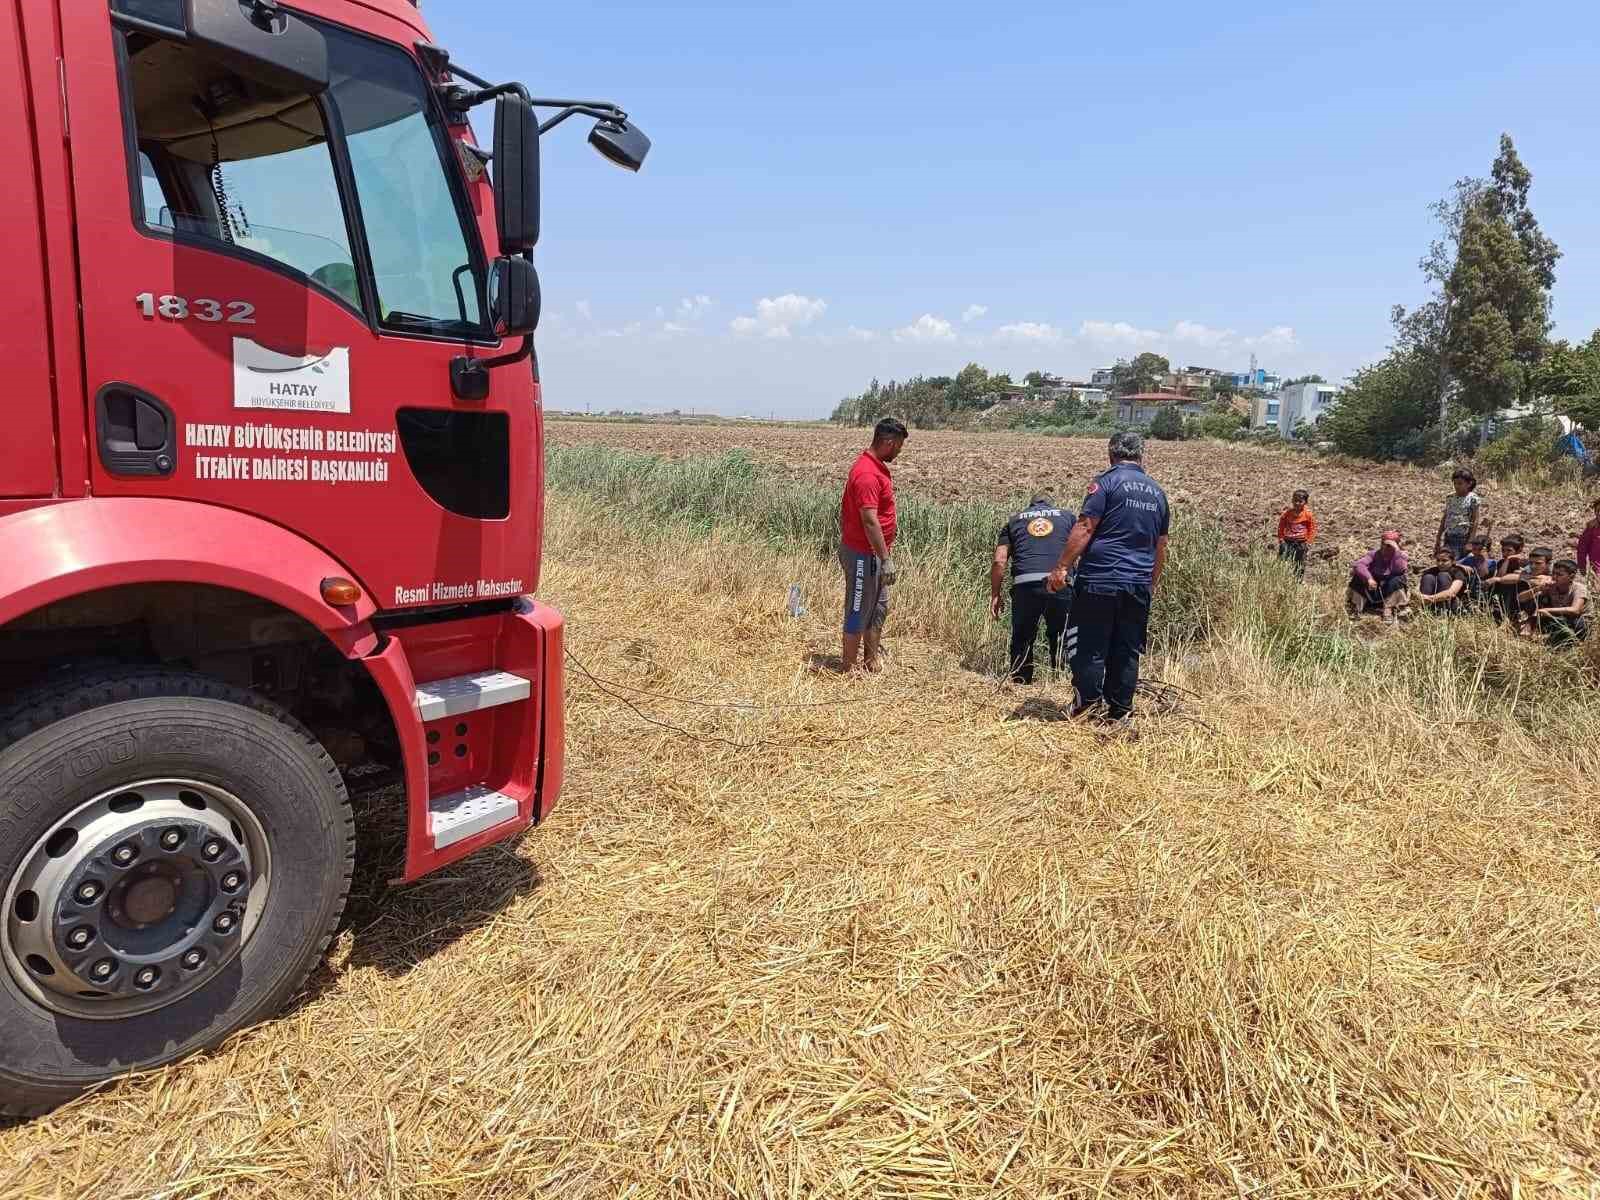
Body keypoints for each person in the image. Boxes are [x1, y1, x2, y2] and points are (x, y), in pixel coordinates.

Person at [1045, 431, 1170, 725]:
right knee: (1126, 650)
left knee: (1089, 645)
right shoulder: (1158, 492)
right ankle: (1120, 713)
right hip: (1137, 584)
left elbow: (1086, 526)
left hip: (1100, 579)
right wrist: (1150, 583)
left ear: (1111, 454)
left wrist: (1062, 567)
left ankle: (1086, 706)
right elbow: (1160, 547)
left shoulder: (1105, 483)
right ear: (1142, 456)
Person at [838, 418, 907, 672]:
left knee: (878, 607)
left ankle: (870, 661)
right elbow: (869, 521)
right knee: (858, 608)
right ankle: (847, 667)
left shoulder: (876, 468)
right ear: (888, 442)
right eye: (898, 446)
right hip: (862, 555)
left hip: (875, 554)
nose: (899, 451)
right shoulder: (867, 474)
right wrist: (885, 558)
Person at [991, 493, 1076, 684]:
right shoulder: (1068, 517)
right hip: (1059, 582)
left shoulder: (1014, 521)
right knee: (1062, 635)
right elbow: (1081, 547)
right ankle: (1061, 682)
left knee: (1022, 637)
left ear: (1031, 506)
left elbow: (999, 561)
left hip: (1025, 584)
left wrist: (996, 593)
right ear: (1050, 504)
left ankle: (1020, 682)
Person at [1347, 532, 1410, 623]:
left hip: (1389, 593)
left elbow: (1400, 569)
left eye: (1388, 545)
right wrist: (1369, 578)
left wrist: (1397, 550)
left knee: (1398, 579)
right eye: (1383, 544)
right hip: (1372, 590)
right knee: (1358, 577)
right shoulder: (1374, 554)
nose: (1384, 547)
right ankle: (1356, 608)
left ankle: (1389, 610)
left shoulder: (1400, 556)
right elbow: (1359, 565)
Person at [1528, 558, 1589, 646]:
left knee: (1577, 622)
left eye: (1559, 574)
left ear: (1571, 576)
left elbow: (1575, 610)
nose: (1554, 577)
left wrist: (1548, 610)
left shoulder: (1579, 588)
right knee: (1537, 601)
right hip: (1559, 619)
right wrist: (1539, 588)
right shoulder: (1552, 586)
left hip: (1576, 623)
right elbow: (1521, 598)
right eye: (1553, 573)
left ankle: (1571, 641)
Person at [1435, 469, 1482, 560]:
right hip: (1449, 535)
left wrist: (1470, 541)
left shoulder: (1473, 499)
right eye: (1455, 483)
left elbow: (1475, 520)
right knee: (1446, 559)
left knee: (1458, 562)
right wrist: (1438, 537)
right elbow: (1445, 517)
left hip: (1463, 538)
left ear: (1469, 484)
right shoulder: (1450, 497)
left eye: (1460, 483)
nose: (1456, 486)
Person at [1485, 534, 1528, 631]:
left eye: (1509, 551)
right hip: (1502, 589)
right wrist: (1507, 561)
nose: (1505, 553)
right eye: (1503, 550)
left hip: (1517, 591)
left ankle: (1508, 617)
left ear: (1518, 551)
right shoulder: (1502, 562)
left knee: (1509, 587)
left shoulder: (1524, 562)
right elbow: (1499, 576)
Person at [1275, 489, 1317, 578]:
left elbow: (1312, 529)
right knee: (1282, 561)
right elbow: (1281, 526)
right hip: (1287, 541)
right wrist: (1281, 539)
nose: (1297, 503)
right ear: (1292, 500)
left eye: (1300, 501)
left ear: (1305, 502)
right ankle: (1279, 578)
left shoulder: (1308, 515)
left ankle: (1297, 581)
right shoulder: (1287, 513)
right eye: (1295, 500)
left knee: (1299, 563)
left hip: (1301, 542)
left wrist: (1308, 542)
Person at [1514, 546, 1555, 634]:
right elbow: (1520, 598)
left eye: (1538, 563)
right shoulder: (1526, 574)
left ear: (1548, 564)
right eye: (1531, 563)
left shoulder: (1556, 575)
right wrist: (1538, 587)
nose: (1533, 566)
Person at [1416, 547, 1468, 615]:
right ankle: (1426, 612)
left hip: (1451, 605)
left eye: (1444, 561)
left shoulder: (1457, 572)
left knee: (1443, 576)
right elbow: (1417, 590)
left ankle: (1443, 613)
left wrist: (1431, 598)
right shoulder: (1431, 571)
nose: (1440, 563)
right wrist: (1421, 597)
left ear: (1452, 561)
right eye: (1438, 560)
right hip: (1430, 602)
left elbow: (1451, 593)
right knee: (1428, 578)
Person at [1576, 496, 1600, 578]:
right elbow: (1582, 548)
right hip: (1597, 574)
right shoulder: (1591, 530)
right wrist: (1582, 566)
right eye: (1598, 511)